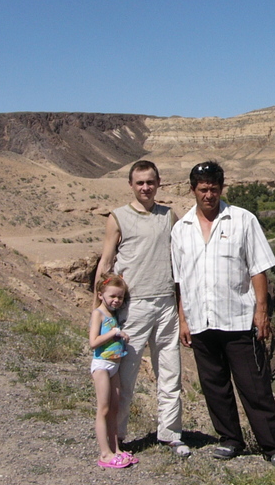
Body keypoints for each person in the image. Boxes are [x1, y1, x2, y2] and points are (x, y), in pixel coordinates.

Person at [171, 160, 275, 470]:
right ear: (192, 190)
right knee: (214, 387)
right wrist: (183, 320)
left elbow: (259, 268)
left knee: (255, 388)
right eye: (202, 189)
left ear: (221, 189)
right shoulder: (180, 229)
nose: (208, 195)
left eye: (213, 189)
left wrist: (262, 312)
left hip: (239, 320)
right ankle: (230, 440)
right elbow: (180, 280)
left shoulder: (242, 220)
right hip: (201, 321)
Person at [94, 160, 189, 457]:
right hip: (132, 308)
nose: (145, 187)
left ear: (159, 183)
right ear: (131, 185)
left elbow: (183, 258)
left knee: (170, 373)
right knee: (124, 378)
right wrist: (98, 311)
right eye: (140, 183)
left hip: (165, 305)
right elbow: (106, 264)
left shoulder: (169, 215)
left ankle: (171, 434)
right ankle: (117, 436)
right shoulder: (118, 217)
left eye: (150, 182)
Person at [89, 273, 136, 468]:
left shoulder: (113, 315)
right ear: (101, 295)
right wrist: (114, 333)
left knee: (114, 409)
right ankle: (105, 453)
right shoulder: (98, 314)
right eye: (112, 297)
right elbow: (93, 342)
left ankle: (116, 448)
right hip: (102, 365)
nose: (116, 301)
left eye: (120, 297)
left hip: (115, 366)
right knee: (104, 408)